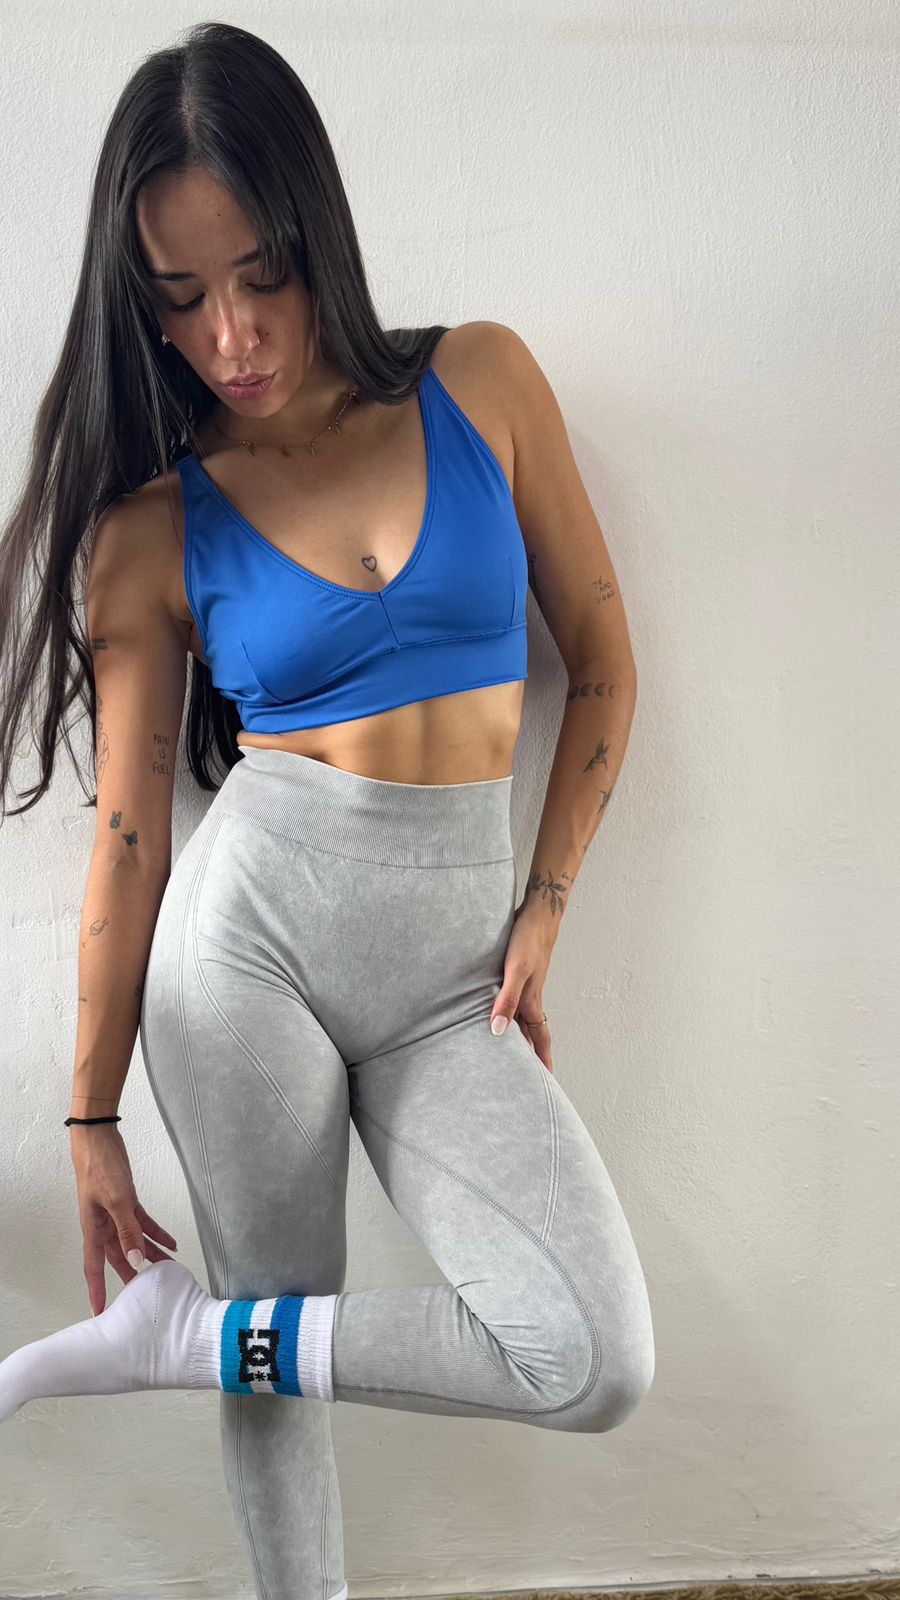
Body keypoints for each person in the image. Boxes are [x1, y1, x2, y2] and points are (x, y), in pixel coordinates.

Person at [0, 21, 655, 1600]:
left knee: (590, 1353)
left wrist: (547, 903)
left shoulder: (481, 382)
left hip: (452, 983)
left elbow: (605, 666)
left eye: (261, 274)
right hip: (248, 960)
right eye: (179, 297)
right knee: (277, 1368)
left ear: (317, 234)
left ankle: (186, 1340)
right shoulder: (153, 529)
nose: (230, 334)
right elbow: (132, 840)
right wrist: (90, 1116)